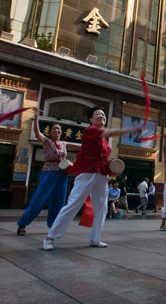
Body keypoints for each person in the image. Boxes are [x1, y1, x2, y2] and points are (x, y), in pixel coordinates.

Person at [42, 106, 141, 251]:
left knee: (102, 207)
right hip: (87, 172)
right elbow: (109, 132)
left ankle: (95, 238)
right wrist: (130, 130)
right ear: (90, 119)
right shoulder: (90, 131)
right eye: (98, 114)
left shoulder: (104, 142)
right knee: (74, 203)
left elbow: (104, 159)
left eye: (103, 114)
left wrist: (112, 170)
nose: (101, 116)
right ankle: (50, 237)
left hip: (101, 174)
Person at [17, 108, 82, 235]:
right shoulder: (47, 142)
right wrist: (36, 118)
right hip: (49, 173)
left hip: (62, 175)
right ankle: (22, 224)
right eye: (54, 129)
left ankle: (54, 226)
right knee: (39, 199)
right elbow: (37, 133)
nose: (57, 130)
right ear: (51, 132)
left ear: (61, 132)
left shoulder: (64, 144)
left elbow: (82, 147)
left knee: (59, 202)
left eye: (58, 129)